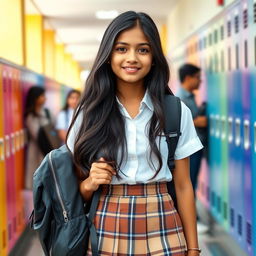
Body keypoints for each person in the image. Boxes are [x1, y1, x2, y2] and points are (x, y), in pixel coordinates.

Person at [67, 11, 203, 256]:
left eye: (142, 49)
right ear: (108, 55)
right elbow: (72, 190)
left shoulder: (175, 111)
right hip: (107, 221)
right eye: (121, 49)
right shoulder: (88, 115)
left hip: (163, 221)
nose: (132, 58)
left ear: (154, 57)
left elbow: (183, 186)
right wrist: (90, 182)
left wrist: (193, 249)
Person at [176, 64, 208, 234]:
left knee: (191, 183)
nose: (200, 81)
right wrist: (198, 121)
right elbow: (182, 121)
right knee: (189, 183)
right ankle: (192, 221)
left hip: (194, 147)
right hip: (188, 149)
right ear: (188, 78)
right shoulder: (181, 98)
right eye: (198, 77)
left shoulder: (188, 96)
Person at [24, 86, 49, 190]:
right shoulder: (30, 115)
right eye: (42, 96)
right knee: (35, 179)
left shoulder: (46, 112)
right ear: (35, 98)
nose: (45, 98)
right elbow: (37, 135)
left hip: (46, 149)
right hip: (36, 151)